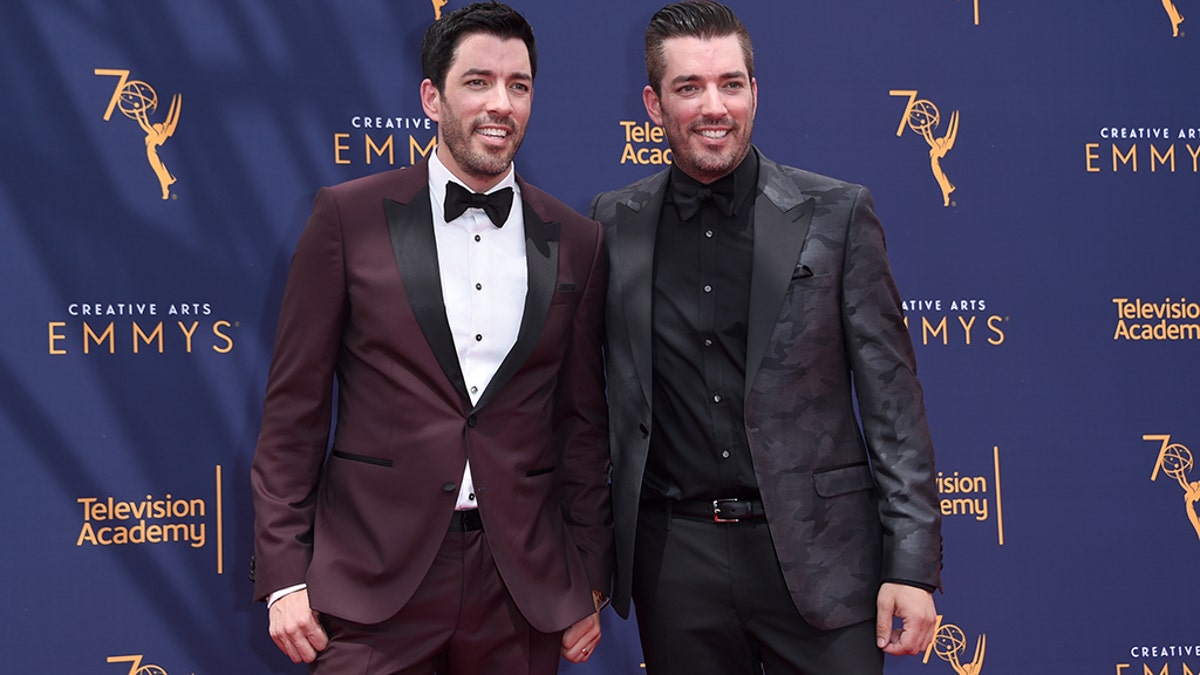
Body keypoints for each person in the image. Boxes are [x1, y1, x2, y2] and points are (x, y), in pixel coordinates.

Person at [250, 3, 611, 673]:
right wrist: (283, 574)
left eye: (519, 85)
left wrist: (588, 576)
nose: (500, 103)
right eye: (477, 81)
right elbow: (292, 415)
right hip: (371, 579)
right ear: (430, 96)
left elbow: (582, 425)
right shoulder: (346, 219)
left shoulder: (577, 241)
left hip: (519, 586)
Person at [589, 2, 942, 673]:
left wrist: (913, 565)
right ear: (653, 104)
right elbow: (589, 406)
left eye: (732, 83)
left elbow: (893, 405)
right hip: (676, 563)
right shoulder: (613, 221)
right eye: (689, 87)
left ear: (755, 91)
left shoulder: (837, 214)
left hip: (822, 561)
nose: (714, 106)